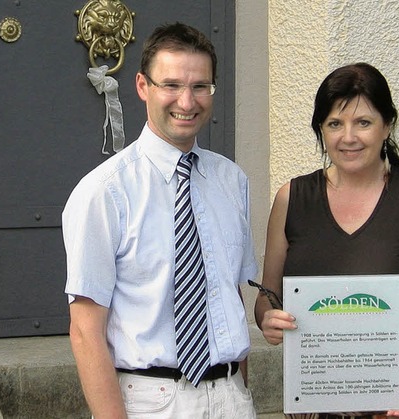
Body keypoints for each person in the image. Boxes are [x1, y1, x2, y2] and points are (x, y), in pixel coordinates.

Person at [254, 63, 399, 419]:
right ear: (321, 129)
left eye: (363, 122)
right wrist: (269, 318)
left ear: (387, 125)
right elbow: (267, 297)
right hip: (318, 399)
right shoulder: (292, 198)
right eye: (335, 124)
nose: (349, 137)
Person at [63, 23, 257, 419]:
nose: (187, 101)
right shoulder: (104, 191)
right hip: (151, 402)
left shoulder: (231, 180)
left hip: (232, 397)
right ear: (141, 86)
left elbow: (230, 295)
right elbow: (85, 330)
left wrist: (240, 392)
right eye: (171, 84)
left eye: (201, 86)